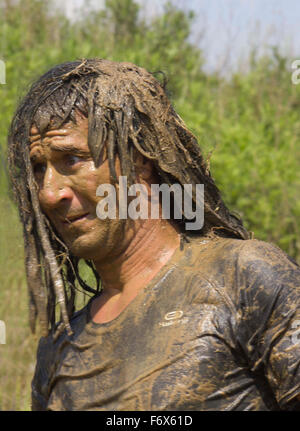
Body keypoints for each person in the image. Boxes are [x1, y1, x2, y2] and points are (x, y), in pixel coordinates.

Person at [8, 58, 300, 411]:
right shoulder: (60, 349)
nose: (48, 193)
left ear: (140, 159)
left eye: (71, 159)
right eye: (38, 169)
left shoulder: (243, 277)